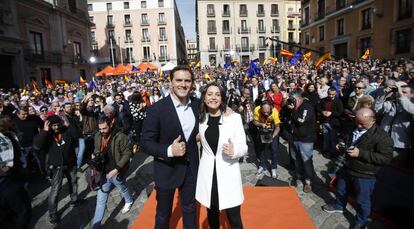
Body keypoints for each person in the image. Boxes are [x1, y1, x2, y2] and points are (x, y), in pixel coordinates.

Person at [141, 65, 200, 229]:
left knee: (190, 209)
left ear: (192, 83)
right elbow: (145, 143)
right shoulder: (156, 109)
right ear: (171, 82)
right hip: (166, 170)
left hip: (191, 169)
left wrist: (229, 110)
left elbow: (216, 107)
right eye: (179, 80)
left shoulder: (197, 104)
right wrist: (169, 150)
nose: (183, 84)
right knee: (163, 215)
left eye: (187, 80)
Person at [322, 108, 393, 229]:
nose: (359, 126)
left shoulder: (383, 137)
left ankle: (361, 221)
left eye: (362, 124)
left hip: (365, 173)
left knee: (362, 200)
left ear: (373, 121)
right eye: (357, 122)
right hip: (347, 167)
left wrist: (360, 153)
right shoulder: (352, 126)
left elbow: (386, 159)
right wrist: (341, 144)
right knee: (341, 190)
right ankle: (339, 206)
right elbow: (344, 137)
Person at [196, 83, 247, 229]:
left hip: (228, 174)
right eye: (210, 94)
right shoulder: (200, 118)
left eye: (217, 94)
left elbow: (244, 146)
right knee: (212, 216)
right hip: (208, 177)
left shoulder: (234, 118)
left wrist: (234, 151)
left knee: (234, 218)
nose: (213, 97)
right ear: (204, 98)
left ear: (222, 98)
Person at [33, 115, 83, 225]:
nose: (56, 127)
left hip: (70, 163)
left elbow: (78, 135)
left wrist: (68, 124)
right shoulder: (47, 135)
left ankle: (74, 200)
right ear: (49, 126)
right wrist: (44, 131)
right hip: (57, 167)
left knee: (73, 182)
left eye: (57, 125)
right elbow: (36, 146)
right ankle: (53, 213)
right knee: (55, 190)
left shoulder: (66, 130)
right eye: (53, 126)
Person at [92, 116, 133, 229]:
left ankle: (129, 201)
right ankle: (95, 226)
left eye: (104, 128)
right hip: (103, 172)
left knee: (122, 187)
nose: (102, 131)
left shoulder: (121, 136)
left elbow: (127, 153)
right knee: (100, 200)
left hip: (116, 170)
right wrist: (95, 155)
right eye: (100, 129)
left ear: (110, 125)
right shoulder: (97, 135)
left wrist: (116, 169)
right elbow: (96, 149)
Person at [287, 89, 317, 193]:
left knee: (306, 161)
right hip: (295, 138)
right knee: (297, 159)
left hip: (306, 140)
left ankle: (308, 181)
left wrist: (293, 110)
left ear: (299, 99)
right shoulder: (295, 106)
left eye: (293, 99)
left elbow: (301, 120)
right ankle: (299, 177)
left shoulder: (307, 107)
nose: (292, 101)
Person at [253, 101, 281, 178]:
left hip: (272, 131)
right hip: (262, 130)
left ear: (271, 108)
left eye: (268, 112)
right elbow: (255, 122)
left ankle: (273, 168)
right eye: (264, 112)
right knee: (262, 149)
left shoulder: (275, 112)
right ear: (261, 109)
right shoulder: (256, 110)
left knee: (274, 150)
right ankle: (262, 165)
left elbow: (278, 127)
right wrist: (261, 124)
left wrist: (273, 136)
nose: (266, 114)